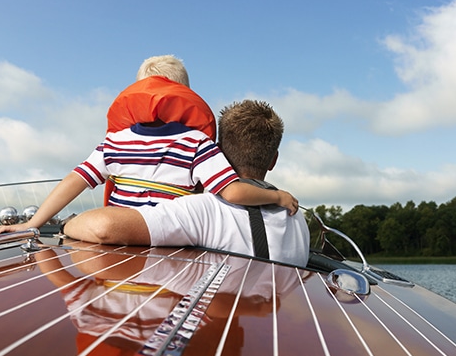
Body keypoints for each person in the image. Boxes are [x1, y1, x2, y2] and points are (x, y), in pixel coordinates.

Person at [0, 58, 298, 236]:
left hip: (115, 240)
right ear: (185, 95)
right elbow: (231, 192)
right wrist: (278, 196)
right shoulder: (196, 143)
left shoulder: (113, 143)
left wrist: (30, 224)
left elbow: (73, 182)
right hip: (171, 247)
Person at [63, 100, 310, 267]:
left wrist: (66, 224)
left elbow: (103, 228)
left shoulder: (204, 210)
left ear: (218, 154)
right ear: (273, 160)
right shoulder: (297, 219)